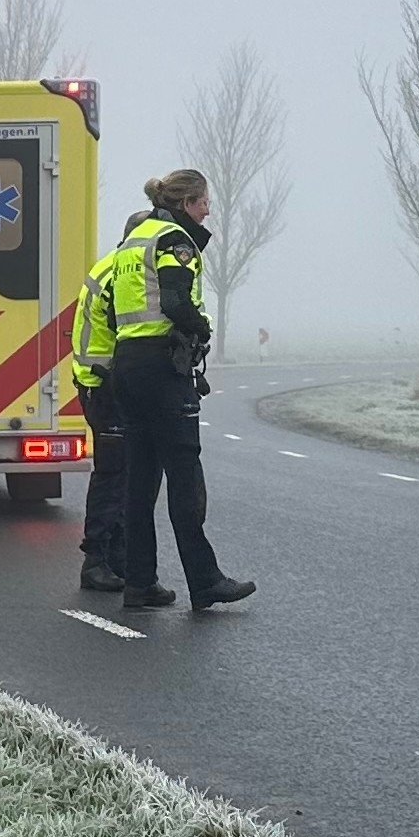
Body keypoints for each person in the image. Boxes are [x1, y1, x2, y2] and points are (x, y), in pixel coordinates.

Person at [107, 169, 257, 611]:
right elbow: (175, 302)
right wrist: (201, 326)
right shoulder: (175, 240)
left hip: (128, 365)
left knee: (141, 480)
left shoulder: (133, 240)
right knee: (184, 477)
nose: (209, 209)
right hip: (161, 368)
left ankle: (139, 583)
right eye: (205, 201)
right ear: (188, 202)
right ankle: (205, 580)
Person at [69, 209, 151, 592]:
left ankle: (115, 558)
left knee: (120, 474)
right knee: (113, 474)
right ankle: (96, 559)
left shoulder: (106, 268)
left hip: (97, 382)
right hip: (106, 386)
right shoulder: (122, 275)